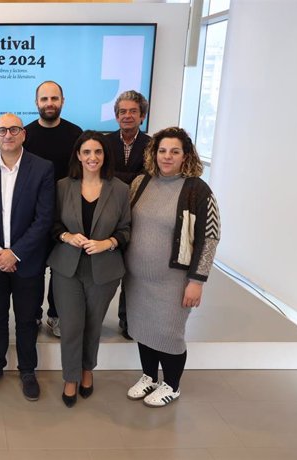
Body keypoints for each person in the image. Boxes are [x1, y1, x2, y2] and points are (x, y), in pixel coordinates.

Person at [125, 127, 220, 407]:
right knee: (143, 328)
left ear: (185, 155)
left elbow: (210, 236)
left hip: (174, 280)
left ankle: (172, 385)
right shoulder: (141, 183)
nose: (167, 156)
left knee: (170, 333)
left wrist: (197, 280)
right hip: (137, 277)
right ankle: (149, 376)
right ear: (154, 153)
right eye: (162, 150)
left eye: (174, 151)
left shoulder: (197, 190)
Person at [0, 113, 55, 401]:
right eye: (2, 130)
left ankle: (28, 370)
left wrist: (15, 253)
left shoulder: (42, 168)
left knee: (27, 319)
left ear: (23, 134)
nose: (8, 134)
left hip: (27, 261)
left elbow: (44, 219)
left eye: (14, 129)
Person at [48, 131, 131, 407]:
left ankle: (87, 371)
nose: (92, 157)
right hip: (66, 268)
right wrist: (66, 237)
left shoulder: (120, 189)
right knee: (71, 325)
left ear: (105, 155)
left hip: (103, 270)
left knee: (93, 325)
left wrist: (108, 242)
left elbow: (127, 230)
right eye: (86, 152)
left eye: (98, 152)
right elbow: (52, 225)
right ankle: (70, 377)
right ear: (78, 156)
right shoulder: (62, 186)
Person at [23, 80, 84, 337]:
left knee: (61, 270)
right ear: (36, 102)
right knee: (35, 269)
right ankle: (34, 315)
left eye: (54, 98)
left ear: (62, 101)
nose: (49, 103)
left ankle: (55, 315)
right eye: (44, 99)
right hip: (34, 215)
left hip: (66, 214)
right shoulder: (25, 134)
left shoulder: (75, 134)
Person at [105, 90, 152, 340]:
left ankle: (128, 320)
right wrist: (132, 178)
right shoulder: (106, 143)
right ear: (116, 116)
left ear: (142, 115)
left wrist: (115, 177)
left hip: (142, 216)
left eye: (133, 111)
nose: (127, 116)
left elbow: (149, 179)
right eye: (122, 111)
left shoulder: (152, 145)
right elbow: (103, 174)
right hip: (110, 216)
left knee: (134, 273)